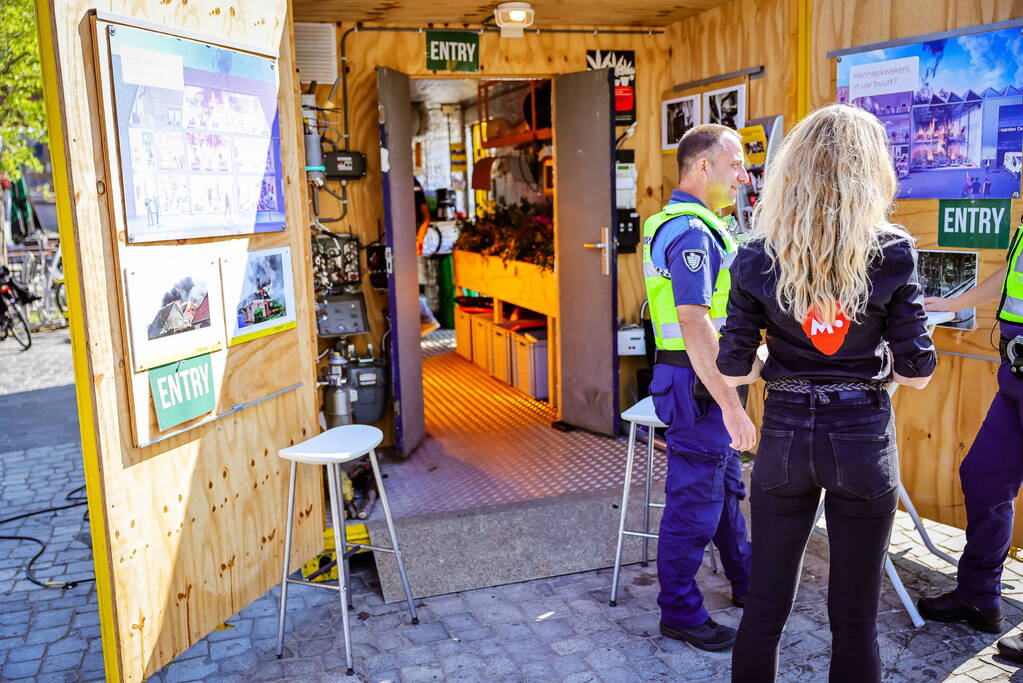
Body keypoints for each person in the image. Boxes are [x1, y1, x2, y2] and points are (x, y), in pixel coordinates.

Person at [717, 104, 936, 682]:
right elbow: (918, 372)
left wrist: (778, 365)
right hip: (862, 434)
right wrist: (875, 373)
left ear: (791, 170)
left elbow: (734, 366)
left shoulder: (757, 254)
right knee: (856, 619)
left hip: (784, 435)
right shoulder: (891, 251)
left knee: (762, 612)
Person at [641, 123, 755, 651]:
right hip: (700, 385)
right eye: (734, 164)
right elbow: (693, 320)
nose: (742, 174)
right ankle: (681, 613)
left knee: (726, 492)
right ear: (703, 166)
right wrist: (731, 406)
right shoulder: (691, 231)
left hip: (704, 381)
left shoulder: (704, 224)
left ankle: (748, 585)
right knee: (695, 503)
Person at [917, 215, 1023, 663]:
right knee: (983, 476)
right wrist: (955, 300)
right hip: (1015, 374)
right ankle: (979, 595)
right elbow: (1009, 278)